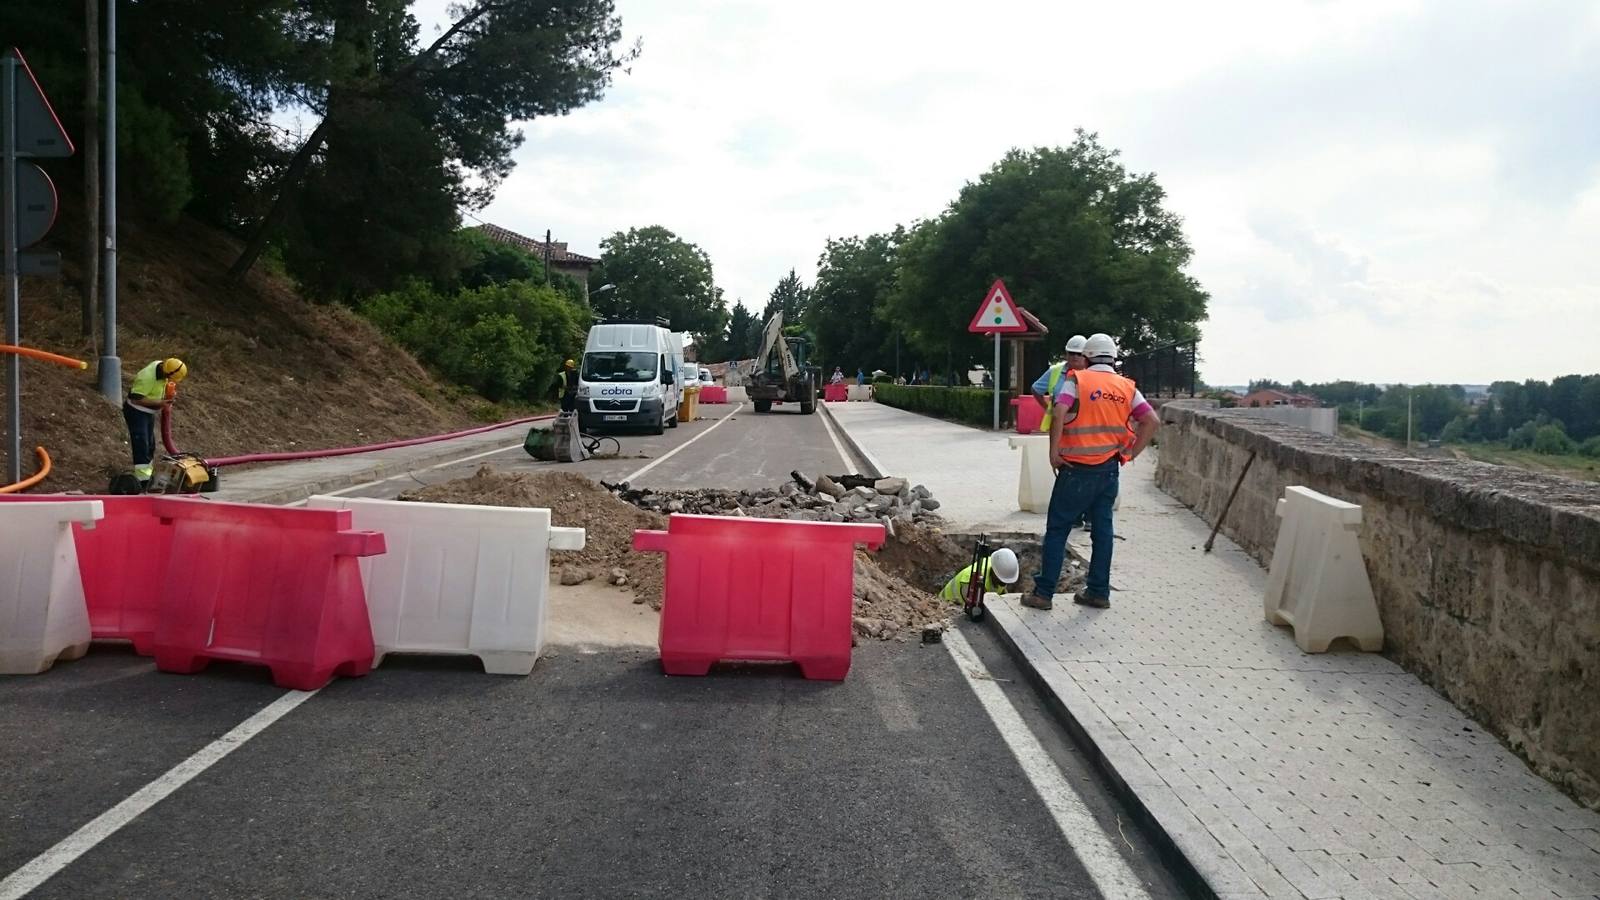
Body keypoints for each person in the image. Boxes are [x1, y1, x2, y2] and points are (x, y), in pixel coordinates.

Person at [1022, 333, 1159, 611]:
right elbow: (1151, 420)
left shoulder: (1077, 380)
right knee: (1103, 531)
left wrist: (1054, 452)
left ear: (1087, 357)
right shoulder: (1126, 387)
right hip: (1108, 470)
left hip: (1076, 469)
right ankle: (1098, 592)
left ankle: (1043, 593)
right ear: (1112, 358)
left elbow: (1059, 412)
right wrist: (1131, 454)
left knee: (1058, 529)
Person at [123, 357, 187, 486]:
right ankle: (142, 480)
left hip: (147, 412)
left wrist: (167, 396)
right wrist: (160, 403)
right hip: (136, 411)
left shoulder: (163, 368)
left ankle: (147, 474)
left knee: (150, 445)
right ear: (167, 372)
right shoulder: (147, 377)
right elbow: (136, 399)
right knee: (142, 444)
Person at [1031, 334, 1088, 433]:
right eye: (1072, 353)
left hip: (1084, 427)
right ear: (1066, 354)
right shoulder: (1055, 371)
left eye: (1079, 354)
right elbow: (1035, 389)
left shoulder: (1092, 373)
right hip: (1060, 427)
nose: (1075, 356)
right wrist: (1047, 408)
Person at [938, 547, 1021, 603]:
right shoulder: (972, 580)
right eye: (1002, 580)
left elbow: (1002, 591)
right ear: (994, 572)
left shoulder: (1000, 566)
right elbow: (975, 606)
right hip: (946, 605)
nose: (1004, 583)